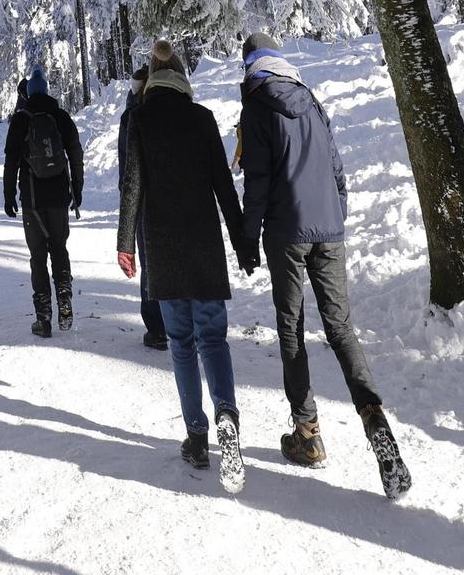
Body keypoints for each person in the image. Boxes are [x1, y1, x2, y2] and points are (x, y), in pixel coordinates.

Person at [237, 29, 411, 501]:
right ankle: (374, 417)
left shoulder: (255, 106)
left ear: (251, 65)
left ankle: (308, 434)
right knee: (341, 329)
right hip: (329, 229)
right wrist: (337, 215)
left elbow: (256, 182)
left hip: (286, 232)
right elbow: (337, 169)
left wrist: (247, 239)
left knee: (291, 329)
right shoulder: (310, 100)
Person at [117, 39, 250, 494]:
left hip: (164, 249)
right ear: (183, 80)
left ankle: (197, 437)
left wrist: (125, 244)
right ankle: (227, 416)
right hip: (205, 248)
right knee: (213, 337)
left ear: (152, 81)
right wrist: (243, 240)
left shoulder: (140, 121)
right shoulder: (203, 119)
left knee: (181, 343)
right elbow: (223, 188)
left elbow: (131, 187)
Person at [4, 66, 84, 338]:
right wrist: (78, 190)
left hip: (32, 200)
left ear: (27, 94)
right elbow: (75, 153)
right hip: (60, 196)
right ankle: (64, 295)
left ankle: (44, 318)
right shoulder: (60, 116)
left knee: (38, 257)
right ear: (47, 91)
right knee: (59, 247)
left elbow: (11, 160)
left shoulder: (21, 120)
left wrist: (8, 196)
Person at [118, 66, 166, 350]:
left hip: (143, 199)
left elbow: (127, 167)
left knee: (149, 263)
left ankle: (157, 328)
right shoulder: (166, 107)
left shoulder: (131, 115)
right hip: (169, 194)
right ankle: (176, 323)